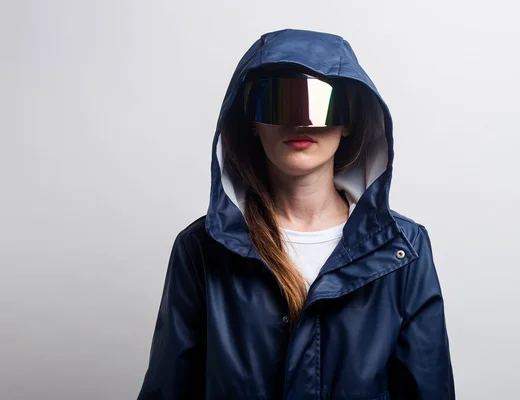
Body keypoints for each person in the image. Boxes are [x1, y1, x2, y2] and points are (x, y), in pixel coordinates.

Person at [137, 28, 454, 399]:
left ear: (349, 119)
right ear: (252, 122)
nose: (301, 121)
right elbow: (170, 388)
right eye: (277, 101)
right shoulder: (201, 249)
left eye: (321, 102)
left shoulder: (403, 249)